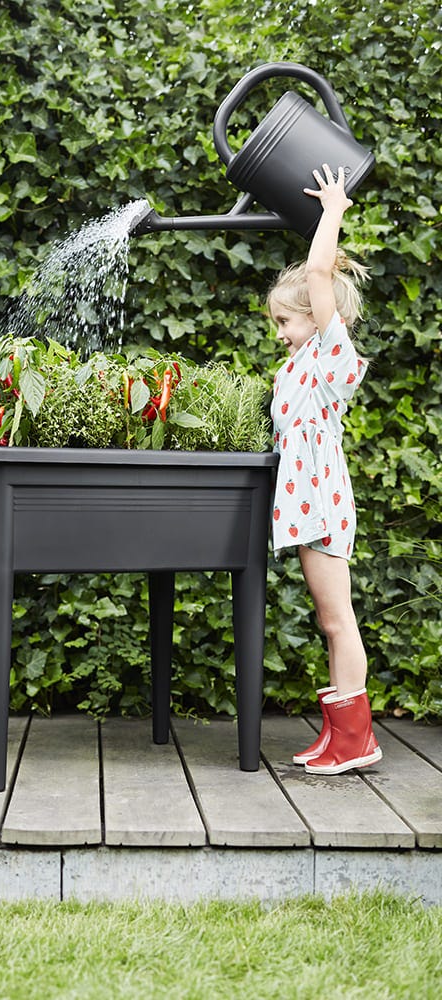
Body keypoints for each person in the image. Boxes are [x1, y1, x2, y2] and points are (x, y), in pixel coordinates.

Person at [267, 163, 381, 775]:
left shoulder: (332, 354)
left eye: (286, 320)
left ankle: (356, 740)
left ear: (316, 316)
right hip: (309, 506)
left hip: (323, 504)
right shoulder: (300, 367)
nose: (280, 333)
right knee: (329, 618)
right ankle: (343, 731)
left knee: (339, 620)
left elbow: (317, 272)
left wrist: (332, 209)